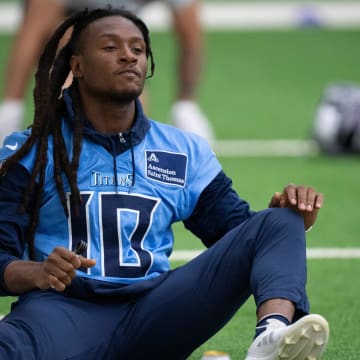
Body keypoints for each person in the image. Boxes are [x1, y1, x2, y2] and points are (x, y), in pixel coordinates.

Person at [0, 7, 329, 360]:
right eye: (110, 47)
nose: (128, 56)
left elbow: (239, 235)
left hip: (155, 313)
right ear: (77, 66)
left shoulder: (182, 151)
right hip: (62, 312)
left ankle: (270, 336)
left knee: (278, 222)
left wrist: (292, 225)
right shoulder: (31, 151)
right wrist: (37, 272)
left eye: (138, 49)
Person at [0, 0, 214, 145]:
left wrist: (186, 105)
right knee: (69, 94)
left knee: (129, 102)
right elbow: (33, 29)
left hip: (121, 29)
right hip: (69, 27)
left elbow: (190, 36)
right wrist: (12, 105)